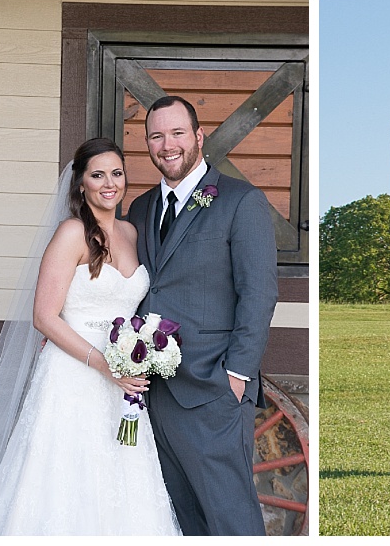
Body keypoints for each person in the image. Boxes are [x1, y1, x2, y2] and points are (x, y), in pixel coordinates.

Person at [0, 138, 181, 535]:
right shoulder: (72, 233)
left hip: (123, 382)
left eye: (117, 173)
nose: (109, 183)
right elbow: (44, 316)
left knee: (122, 482)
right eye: (98, 175)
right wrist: (103, 363)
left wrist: (138, 353)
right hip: (72, 377)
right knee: (64, 481)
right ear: (80, 184)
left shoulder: (131, 232)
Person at [126, 95, 278, 535]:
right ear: (148, 143)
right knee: (180, 519)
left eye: (177, 133)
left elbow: (259, 293)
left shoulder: (240, 200)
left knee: (229, 518)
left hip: (213, 387)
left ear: (198, 136)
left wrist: (237, 376)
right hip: (153, 391)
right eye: (156, 135)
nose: (167, 144)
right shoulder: (140, 210)